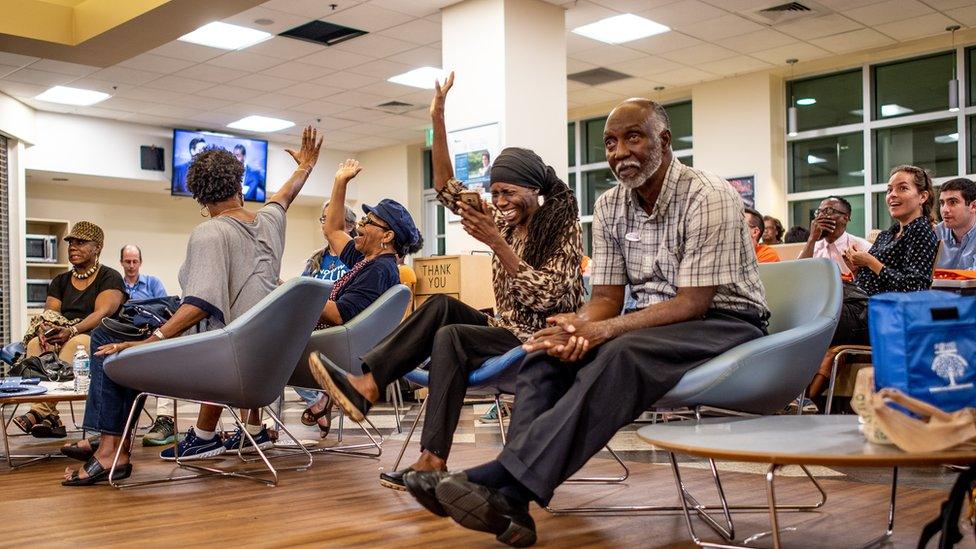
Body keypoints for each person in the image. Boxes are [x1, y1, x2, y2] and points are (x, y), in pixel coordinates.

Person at [402, 98, 769, 546]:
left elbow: (691, 304)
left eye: (633, 137)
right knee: (542, 354)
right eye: (611, 142)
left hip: (725, 318)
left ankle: (504, 479)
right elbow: (606, 298)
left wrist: (603, 329)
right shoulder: (612, 204)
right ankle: (514, 501)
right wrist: (575, 327)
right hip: (652, 320)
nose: (619, 152)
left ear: (664, 141)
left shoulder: (708, 195)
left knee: (622, 353)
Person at [310, 71, 585, 492]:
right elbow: (445, 187)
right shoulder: (504, 222)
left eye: (509, 193)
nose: (500, 203)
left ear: (534, 190)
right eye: (495, 194)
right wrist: (438, 118)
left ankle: (430, 460)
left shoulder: (559, 225)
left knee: (452, 337)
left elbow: (552, 294)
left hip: (539, 337)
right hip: (505, 329)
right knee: (439, 306)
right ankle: (369, 386)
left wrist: (497, 243)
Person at [59, 126, 323, 486]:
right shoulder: (270, 224)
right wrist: (305, 167)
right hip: (265, 361)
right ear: (240, 184)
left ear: (198, 195)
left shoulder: (210, 232)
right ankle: (105, 439)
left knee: (110, 338)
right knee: (128, 323)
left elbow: (199, 305)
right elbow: (284, 197)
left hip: (223, 359)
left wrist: (147, 343)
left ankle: (109, 452)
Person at [295, 183, 423, 438]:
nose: (360, 226)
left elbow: (339, 314)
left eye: (368, 221)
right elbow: (332, 229)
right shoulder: (368, 260)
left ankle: (250, 430)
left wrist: (299, 293)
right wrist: (340, 181)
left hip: (336, 352)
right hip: (332, 344)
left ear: (387, 236)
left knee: (262, 348)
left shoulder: (379, 270)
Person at [806, 165, 939, 399]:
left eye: (902, 188)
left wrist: (871, 262)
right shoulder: (888, 234)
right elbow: (867, 284)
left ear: (923, 196)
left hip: (888, 316)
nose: (892, 195)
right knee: (807, 306)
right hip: (864, 308)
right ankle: (798, 398)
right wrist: (858, 268)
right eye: (889, 190)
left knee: (813, 318)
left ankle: (796, 397)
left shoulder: (921, 231)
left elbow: (914, 288)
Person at [12, 222, 127, 439]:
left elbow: (102, 313)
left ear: (98, 248)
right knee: (36, 344)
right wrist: (45, 329)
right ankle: (50, 416)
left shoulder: (109, 277)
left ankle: (40, 411)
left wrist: (72, 330)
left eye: (81, 242)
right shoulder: (60, 280)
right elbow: (51, 312)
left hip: (97, 336)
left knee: (77, 344)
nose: (73, 247)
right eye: (71, 243)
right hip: (65, 333)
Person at [295, 201, 358, 436]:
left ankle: (320, 400)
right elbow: (302, 291)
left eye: (332, 218)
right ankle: (318, 400)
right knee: (277, 345)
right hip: (313, 327)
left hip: (343, 330)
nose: (326, 223)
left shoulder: (358, 258)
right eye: (323, 218)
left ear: (350, 226)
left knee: (288, 347)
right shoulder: (315, 260)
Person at [119, 243, 176, 446]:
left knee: (166, 357)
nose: (131, 265)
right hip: (124, 337)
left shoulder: (153, 283)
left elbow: (167, 312)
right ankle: (113, 426)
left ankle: (165, 419)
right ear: (121, 263)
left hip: (151, 336)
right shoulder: (116, 285)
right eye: (128, 262)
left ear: (140, 262)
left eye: (135, 261)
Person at [796, 197, 870, 278]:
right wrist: (812, 239)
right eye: (818, 212)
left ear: (845, 218)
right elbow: (798, 275)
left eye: (828, 211)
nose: (820, 216)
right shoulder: (813, 247)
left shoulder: (862, 247)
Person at [935, 177, 976, 269]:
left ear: (973, 206)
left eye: (953, 202)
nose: (944, 210)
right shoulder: (935, 233)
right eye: (942, 203)